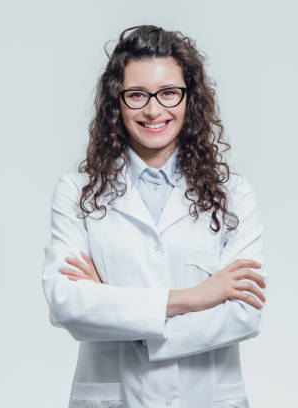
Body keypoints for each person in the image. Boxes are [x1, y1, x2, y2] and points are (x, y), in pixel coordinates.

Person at [41, 25, 268, 408]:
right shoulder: (77, 192)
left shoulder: (233, 195)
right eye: (136, 95)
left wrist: (112, 306)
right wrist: (195, 297)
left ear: (188, 99)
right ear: (117, 102)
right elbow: (67, 304)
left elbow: (244, 314)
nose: (153, 109)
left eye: (168, 93)